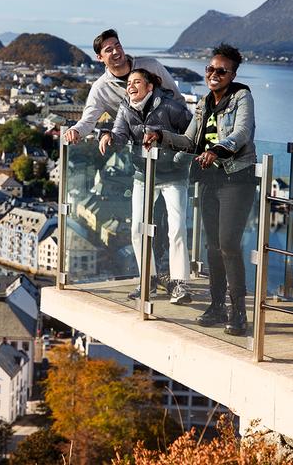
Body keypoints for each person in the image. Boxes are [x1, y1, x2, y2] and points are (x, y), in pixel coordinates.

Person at [144, 44, 256, 336]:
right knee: (212, 246)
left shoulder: (242, 96)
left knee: (229, 244)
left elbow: (242, 132)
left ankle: (238, 311)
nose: (214, 74)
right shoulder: (204, 102)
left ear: (232, 74)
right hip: (209, 181)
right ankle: (217, 305)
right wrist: (161, 136)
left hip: (237, 179)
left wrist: (218, 150)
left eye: (222, 71)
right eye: (210, 69)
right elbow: (190, 141)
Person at [99, 68, 193, 304]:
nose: (130, 86)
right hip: (144, 173)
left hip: (173, 175)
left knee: (177, 228)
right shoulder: (126, 107)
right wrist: (108, 135)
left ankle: (180, 284)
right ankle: (148, 280)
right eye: (128, 82)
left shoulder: (171, 107)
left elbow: (193, 136)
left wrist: (179, 159)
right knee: (138, 229)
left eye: (137, 82)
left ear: (150, 87)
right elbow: (121, 134)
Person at [63, 29, 184, 145]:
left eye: (118, 46)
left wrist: (182, 141)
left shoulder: (151, 66)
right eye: (109, 49)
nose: (116, 51)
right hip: (138, 152)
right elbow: (88, 121)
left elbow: (178, 100)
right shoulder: (101, 88)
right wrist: (75, 130)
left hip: (170, 146)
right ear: (99, 58)